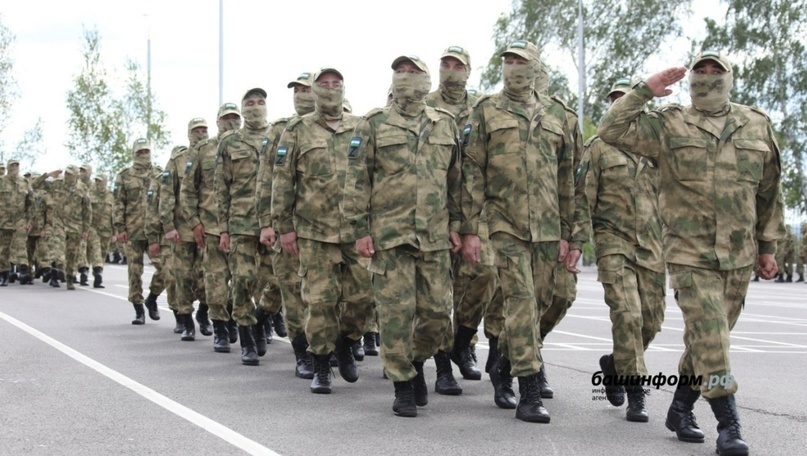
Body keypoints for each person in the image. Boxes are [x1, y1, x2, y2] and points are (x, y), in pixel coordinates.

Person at [597, 51, 785, 456]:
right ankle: (729, 425)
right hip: (689, 254)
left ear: (729, 78)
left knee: (706, 341)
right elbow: (611, 130)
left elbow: (769, 192)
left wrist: (767, 247)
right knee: (712, 338)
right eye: (701, 71)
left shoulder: (755, 124)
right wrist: (645, 90)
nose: (708, 77)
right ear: (691, 79)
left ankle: (680, 407)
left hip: (738, 256)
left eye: (717, 72)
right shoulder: (669, 124)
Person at [461, 40, 576, 423]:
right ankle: (528, 391)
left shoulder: (557, 114)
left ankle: (503, 364)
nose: (513, 67)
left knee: (541, 302)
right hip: (504, 224)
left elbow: (566, 179)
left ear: (535, 67)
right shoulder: (486, 110)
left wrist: (570, 233)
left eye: (520, 61)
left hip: (547, 228)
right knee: (522, 302)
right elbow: (472, 171)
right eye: (508, 61)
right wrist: (470, 228)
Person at [343, 55, 461, 417]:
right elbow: (357, 180)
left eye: (413, 72)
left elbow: (456, 182)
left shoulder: (445, 124)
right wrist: (359, 230)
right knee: (395, 315)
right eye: (400, 71)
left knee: (437, 314)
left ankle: (416, 362)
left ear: (427, 79)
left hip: (435, 236)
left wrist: (459, 225)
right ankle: (403, 385)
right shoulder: (373, 123)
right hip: (390, 236)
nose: (405, 77)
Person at [268, 67, 374, 394]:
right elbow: (282, 181)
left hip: (355, 231)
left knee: (363, 298)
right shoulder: (297, 130)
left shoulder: (361, 126)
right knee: (319, 302)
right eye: (323, 84)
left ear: (344, 88)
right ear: (314, 90)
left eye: (335, 83)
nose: (330, 88)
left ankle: (347, 341)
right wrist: (284, 227)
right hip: (314, 233)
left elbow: (374, 176)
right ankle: (321, 364)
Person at [586, 77, 666, 422]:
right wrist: (574, 241)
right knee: (627, 315)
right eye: (615, 100)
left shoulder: (658, 148)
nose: (620, 105)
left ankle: (614, 365)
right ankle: (637, 393)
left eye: (626, 99)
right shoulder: (598, 148)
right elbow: (583, 199)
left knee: (651, 321)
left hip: (652, 246)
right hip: (613, 243)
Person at [425, 45, 483, 395]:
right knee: (437, 293)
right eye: (445, 64)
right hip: (434, 212)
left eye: (457, 65)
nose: (450, 70)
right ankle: (443, 364)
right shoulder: (425, 105)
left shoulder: (482, 108)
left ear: (468, 71)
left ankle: (463, 341)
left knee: (481, 277)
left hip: (475, 209)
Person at [258, 71, 317, 379]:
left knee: (328, 294)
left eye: (307, 90)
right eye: (297, 91)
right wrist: (267, 224)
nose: (301, 96)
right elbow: (266, 178)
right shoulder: (280, 130)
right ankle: (303, 352)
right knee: (293, 291)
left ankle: (329, 345)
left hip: (327, 228)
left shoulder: (343, 126)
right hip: (289, 225)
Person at [215, 88, 272, 365]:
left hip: (274, 222)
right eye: (250, 103)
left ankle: (261, 317)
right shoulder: (230, 143)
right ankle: (247, 338)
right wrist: (223, 229)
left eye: (260, 102)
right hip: (241, 222)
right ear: (243, 109)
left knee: (279, 281)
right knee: (243, 280)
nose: (255, 107)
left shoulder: (279, 136)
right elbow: (221, 187)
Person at [182, 103, 242, 352]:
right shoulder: (203, 150)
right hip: (212, 227)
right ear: (217, 121)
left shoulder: (248, 145)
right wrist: (194, 222)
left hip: (243, 227)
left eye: (235, 117)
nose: (231, 122)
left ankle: (237, 318)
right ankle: (219, 327)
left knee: (244, 280)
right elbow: (188, 189)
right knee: (216, 280)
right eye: (226, 118)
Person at [161, 119, 213, 340]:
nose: (201, 133)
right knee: (183, 276)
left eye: (204, 130)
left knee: (207, 275)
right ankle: (186, 320)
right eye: (196, 130)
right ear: (189, 133)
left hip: (208, 227)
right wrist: (168, 226)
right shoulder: (178, 160)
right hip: (182, 230)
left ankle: (204, 311)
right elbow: (166, 194)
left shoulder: (214, 155)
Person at [114, 138, 165, 324]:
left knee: (165, 268)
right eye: (140, 152)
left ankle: (152, 298)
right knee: (135, 272)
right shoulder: (124, 176)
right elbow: (118, 203)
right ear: (134, 154)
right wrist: (120, 228)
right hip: (133, 231)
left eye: (146, 151)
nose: (143, 155)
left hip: (155, 232)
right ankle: (138, 309)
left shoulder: (159, 173)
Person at [32, 165, 91, 290]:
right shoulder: (57, 184)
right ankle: (59, 266)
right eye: (66, 173)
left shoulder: (82, 188)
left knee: (72, 254)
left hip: (75, 226)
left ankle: (69, 278)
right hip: (59, 224)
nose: (67, 176)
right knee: (58, 250)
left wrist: (86, 229)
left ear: (76, 176)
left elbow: (87, 210)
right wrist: (48, 175)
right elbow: (34, 185)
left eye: (70, 174)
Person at [0, 159, 33, 286]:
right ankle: (4, 274)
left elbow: (31, 202)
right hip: (4, 220)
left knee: (21, 244)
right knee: (4, 248)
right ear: (8, 167)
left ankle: (23, 270)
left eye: (16, 165)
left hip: (20, 219)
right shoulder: (1, 181)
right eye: (12, 165)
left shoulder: (24, 182)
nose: (14, 167)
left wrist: (30, 220)